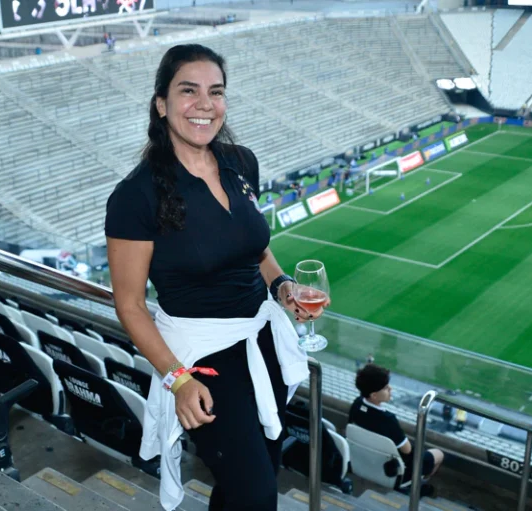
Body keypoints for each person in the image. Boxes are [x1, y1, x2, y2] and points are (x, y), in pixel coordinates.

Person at [105, 44, 328, 511]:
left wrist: (282, 286)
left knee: (250, 480)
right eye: (189, 91)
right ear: (161, 104)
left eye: (216, 92)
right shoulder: (134, 196)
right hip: (201, 359)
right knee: (257, 495)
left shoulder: (241, 162)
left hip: (261, 343)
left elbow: (253, 247)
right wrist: (178, 379)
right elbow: (130, 305)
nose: (205, 104)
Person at [348, 364, 444, 495]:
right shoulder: (388, 420)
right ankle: (415, 486)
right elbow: (407, 450)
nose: (390, 388)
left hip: (364, 462)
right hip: (393, 471)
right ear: (374, 395)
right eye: (385, 388)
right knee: (438, 454)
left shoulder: (357, 404)